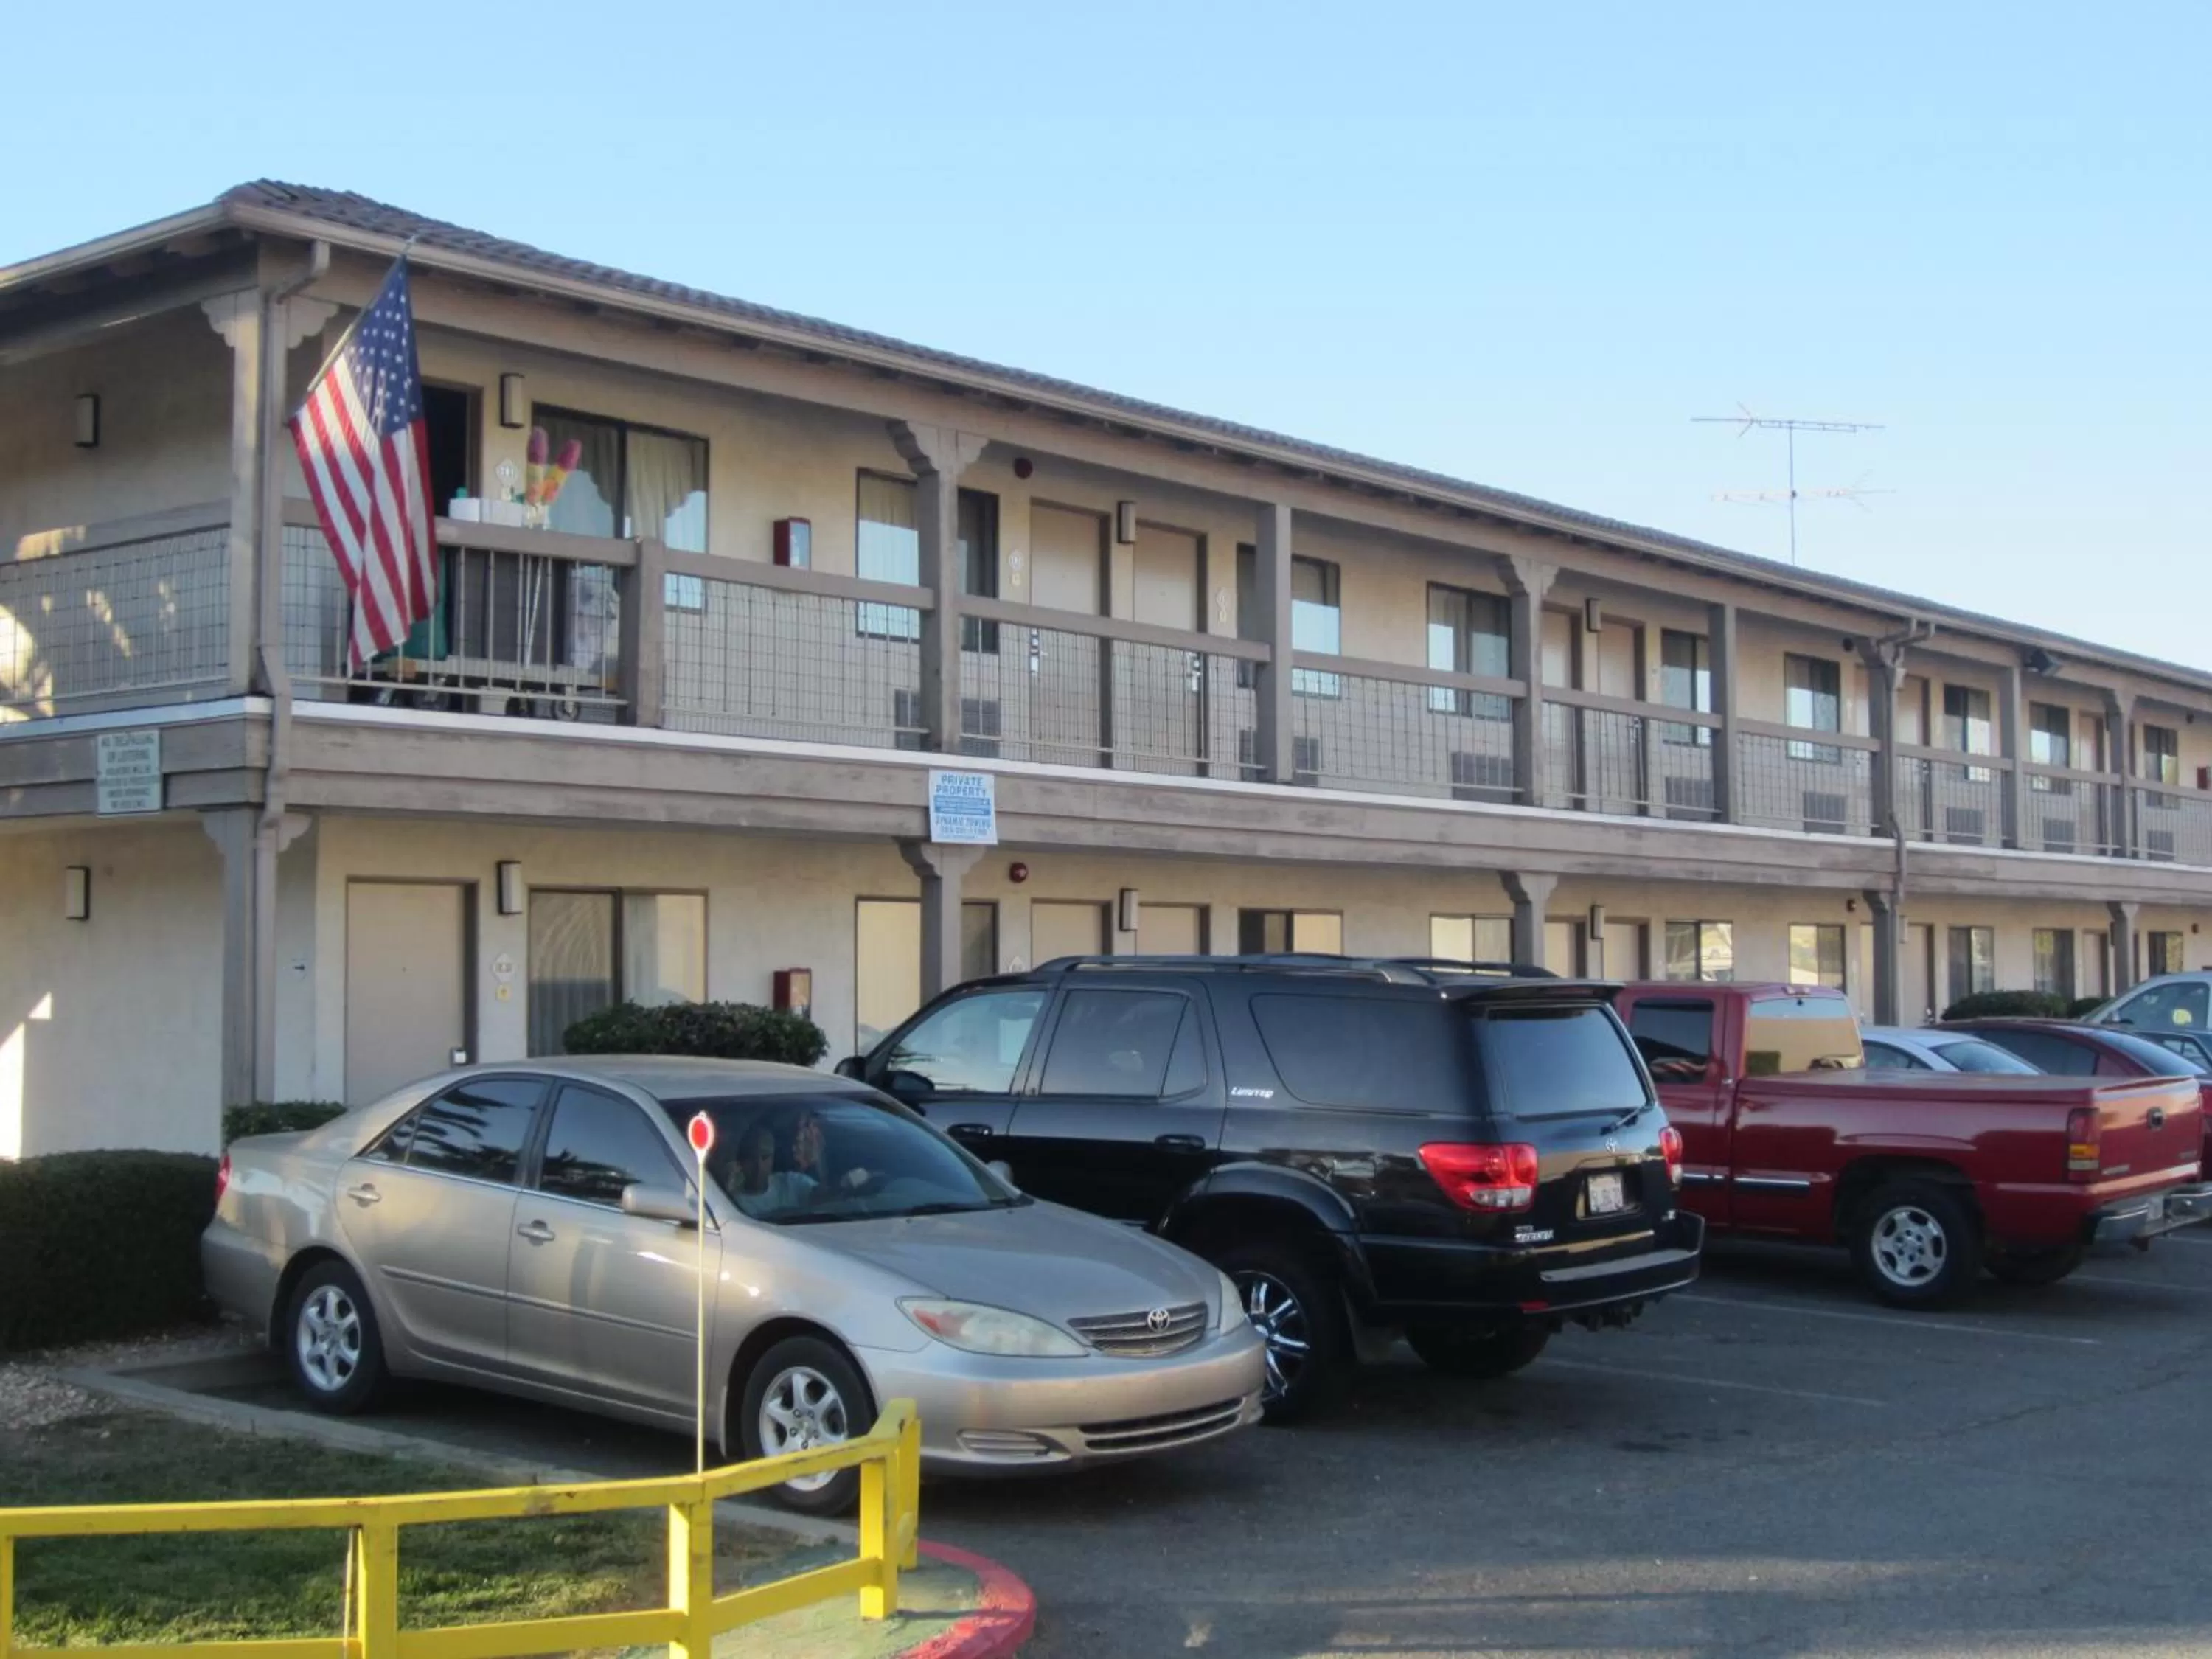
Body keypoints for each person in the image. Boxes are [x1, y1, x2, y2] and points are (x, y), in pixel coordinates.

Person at [728, 1120, 817, 1217]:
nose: (759, 1166)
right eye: (751, 1158)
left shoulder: (791, 1183)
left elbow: (827, 1197)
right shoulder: (734, 1205)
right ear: (741, 1162)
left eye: (765, 1157)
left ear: (773, 1157)